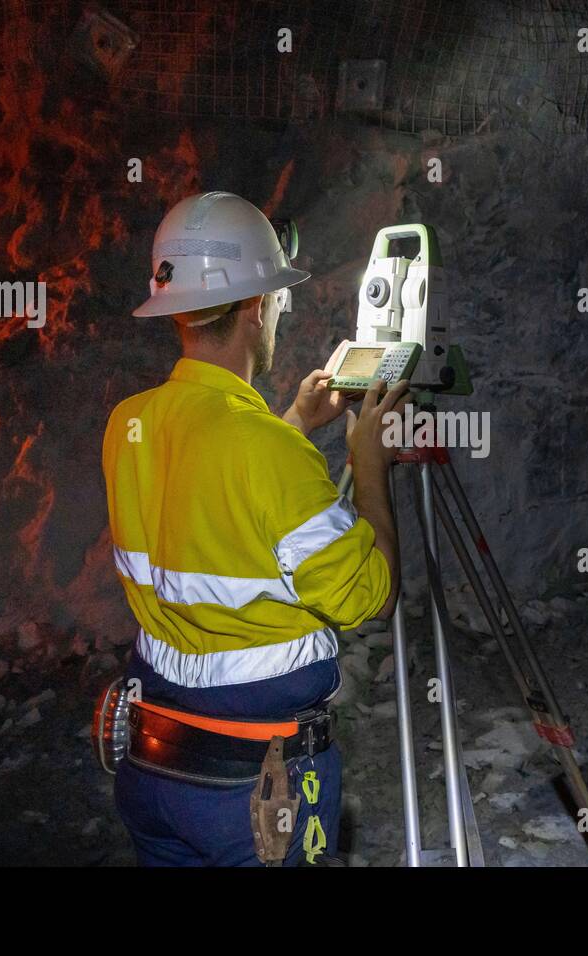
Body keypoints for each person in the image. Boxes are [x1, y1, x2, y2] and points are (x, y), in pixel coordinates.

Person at [102, 191, 408, 865]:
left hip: (152, 771)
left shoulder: (129, 425)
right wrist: (367, 461)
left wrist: (292, 421)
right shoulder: (270, 453)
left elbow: (215, 505)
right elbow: (369, 593)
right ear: (253, 308)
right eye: (274, 297)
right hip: (256, 795)